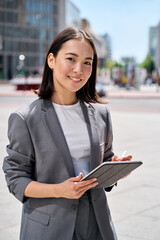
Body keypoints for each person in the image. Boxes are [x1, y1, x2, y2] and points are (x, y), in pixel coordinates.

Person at [3, 27, 132, 240]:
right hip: (48, 228)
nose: (79, 69)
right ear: (51, 60)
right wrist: (60, 190)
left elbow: (105, 162)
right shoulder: (26, 118)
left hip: (97, 226)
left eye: (87, 62)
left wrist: (115, 169)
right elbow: (16, 180)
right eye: (71, 59)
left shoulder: (101, 114)